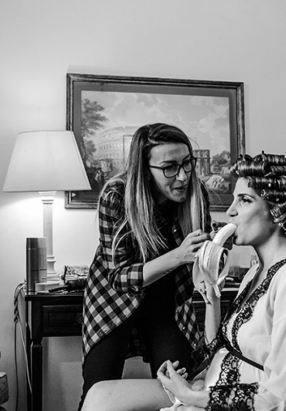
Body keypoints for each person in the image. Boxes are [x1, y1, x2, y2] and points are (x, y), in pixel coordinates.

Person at [81, 152, 286, 411]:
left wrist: (191, 397)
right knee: (99, 394)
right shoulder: (256, 271)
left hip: (239, 400)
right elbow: (219, 349)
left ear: (277, 210)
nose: (231, 211)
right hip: (212, 385)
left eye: (244, 200)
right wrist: (211, 296)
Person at [79, 123, 214, 410]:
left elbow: (201, 258)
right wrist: (178, 255)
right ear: (144, 168)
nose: (182, 176)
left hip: (169, 303)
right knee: (97, 388)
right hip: (113, 302)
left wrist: (214, 250)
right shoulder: (116, 195)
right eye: (169, 167)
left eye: (187, 163)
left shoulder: (196, 193)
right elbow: (119, 277)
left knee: (178, 390)